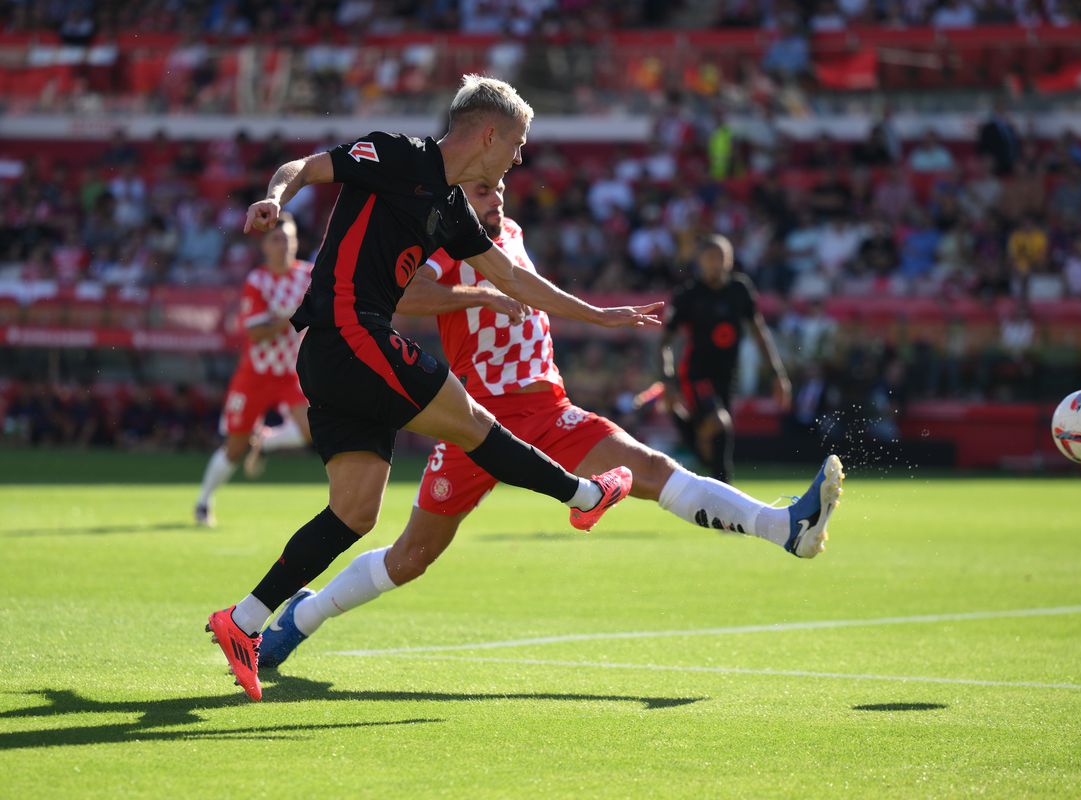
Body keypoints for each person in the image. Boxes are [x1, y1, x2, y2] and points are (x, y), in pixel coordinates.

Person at [255, 180, 845, 669]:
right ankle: (305, 616)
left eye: (503, 186)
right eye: (485, 188)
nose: (499, 195)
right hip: (472, 420)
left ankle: (782, 527)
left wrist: (596, 315)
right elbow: (402, 292)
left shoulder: (509, 235)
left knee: (653, 469)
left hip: (548, 408)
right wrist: (476, 296)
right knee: (411, 557)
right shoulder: (443, 238)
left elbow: (535, 292)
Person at [206, 75, 660, 702]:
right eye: (519, 142)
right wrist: (274, 198)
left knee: (355, 512)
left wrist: (600, 315)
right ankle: (583, 494)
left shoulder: (451, 210)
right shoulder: (397, 154)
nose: (521, 156)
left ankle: (243, 621)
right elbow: (301, 168)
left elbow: (515, 281)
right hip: (348, 332)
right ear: (490, 133)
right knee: (471, 421)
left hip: (337, 360)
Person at [194, 212, 313, 526]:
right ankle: (204, 502)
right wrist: (293, 316)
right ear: (265, 246)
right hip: (255, 374)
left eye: (288, 237)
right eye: (277, 238)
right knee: (234, 448)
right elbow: (256, 332)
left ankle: (263, 442)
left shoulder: (309, 275)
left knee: (311, 430)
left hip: (290, 372)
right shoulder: (257, 280)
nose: (284, 244)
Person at [661, 235, 792, 484]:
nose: (715, 263)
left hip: (727, 374)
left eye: (721, 257)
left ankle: (722, 489)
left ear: (730, 260)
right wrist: (667, 378)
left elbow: (759, 333)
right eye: (710, 257)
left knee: (720, 441)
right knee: (720, 423)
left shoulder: (740, 290)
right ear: (700, 261)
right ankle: (721, 480)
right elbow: (665, 342)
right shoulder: (688, 295)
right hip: (696, 373)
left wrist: (778, 374)